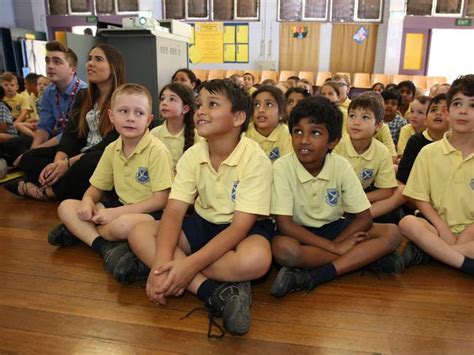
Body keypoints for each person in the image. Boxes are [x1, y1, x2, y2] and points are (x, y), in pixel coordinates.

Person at [113, 79, 274, 336]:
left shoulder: (255, 159)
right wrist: (162, 264)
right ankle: (213, 290)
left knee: (257, 260)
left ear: (238, 118)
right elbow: (174, 211)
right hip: (203, 223)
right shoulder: (192, 155)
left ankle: (174, 271)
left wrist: (186, 266)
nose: (200, 111)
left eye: (212, 104)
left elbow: (240, 227)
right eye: (199, 104)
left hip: (243, 229)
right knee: (138, 233)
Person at [270, 96, 402, 299]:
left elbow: (364, 218)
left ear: (333, 141)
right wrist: (335, 248)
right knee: (284, 250)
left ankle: (315, 276)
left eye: (315, 133)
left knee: (392, 233)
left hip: (334, 227)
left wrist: (339, 242)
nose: (304, 140)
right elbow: (286, 225)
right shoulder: (282, 166)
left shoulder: (340, 165)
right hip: (299, 232)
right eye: (297, 131)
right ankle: (363, 258)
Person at [48, 83, 174, 271]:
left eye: (139, 113)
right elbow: (97, 187)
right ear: (111, 116)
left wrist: (115, 213)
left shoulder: (157, 150)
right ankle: (105, 247)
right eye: (123, 111)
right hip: (120, 205)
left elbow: (161, 200)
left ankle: (84, 233)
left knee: (121, 226)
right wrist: (87, 201)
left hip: (150, 214)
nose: (131, 118)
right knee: (66, 207)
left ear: (149, 120)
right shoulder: (111, 148)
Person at [4, 44, 124, 201]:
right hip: (79, 154)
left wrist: (67, 164)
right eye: (89, 59)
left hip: (102, 156)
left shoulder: (123, 97)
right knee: (30, 157)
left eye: (98, 59)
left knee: (92, 162)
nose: (90, 64)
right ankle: (69, 186)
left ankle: (45, 192)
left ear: (113, 67)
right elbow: (71, 133)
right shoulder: (84, 95)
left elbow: (111, 143)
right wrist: (58, 162)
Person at [399, 75, 474, 275]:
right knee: (408, 223)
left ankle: (432, 253)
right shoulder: (429, 152)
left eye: (472, 105)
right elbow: (419, 199)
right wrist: (442, 229)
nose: (464, 111)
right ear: (448, 111)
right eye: (458, 103)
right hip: (435, 228)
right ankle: (465, 263)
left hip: (472, 233)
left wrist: (468, 232)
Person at [334, 94, 398, 220]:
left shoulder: (381, 151)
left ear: (378, 126)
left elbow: (386, 191)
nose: (356, 122)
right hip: (335, 199)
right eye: (352, 116)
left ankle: (358, 219)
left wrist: (358, 199)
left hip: (360, 198)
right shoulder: (337, 146)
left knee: (400, 192)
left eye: (365, 117)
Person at [397, 94, 449, 185]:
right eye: (433, 110)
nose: (438, 113)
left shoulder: (454, 143)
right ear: (425, 119)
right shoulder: (415, 141)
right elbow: (403, 177)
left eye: (445, 110)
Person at [151, 83, 199, 171]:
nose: (164, 103)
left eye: (172, 99)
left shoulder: (198, 135)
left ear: (185, 108)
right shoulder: (154, 134)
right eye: (162, 99)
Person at [245, 85, 292, 162]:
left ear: (281, 113)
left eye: (269, 104)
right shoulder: (243, 134)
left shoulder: (288, 136)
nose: (261, 110)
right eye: (257, 105)